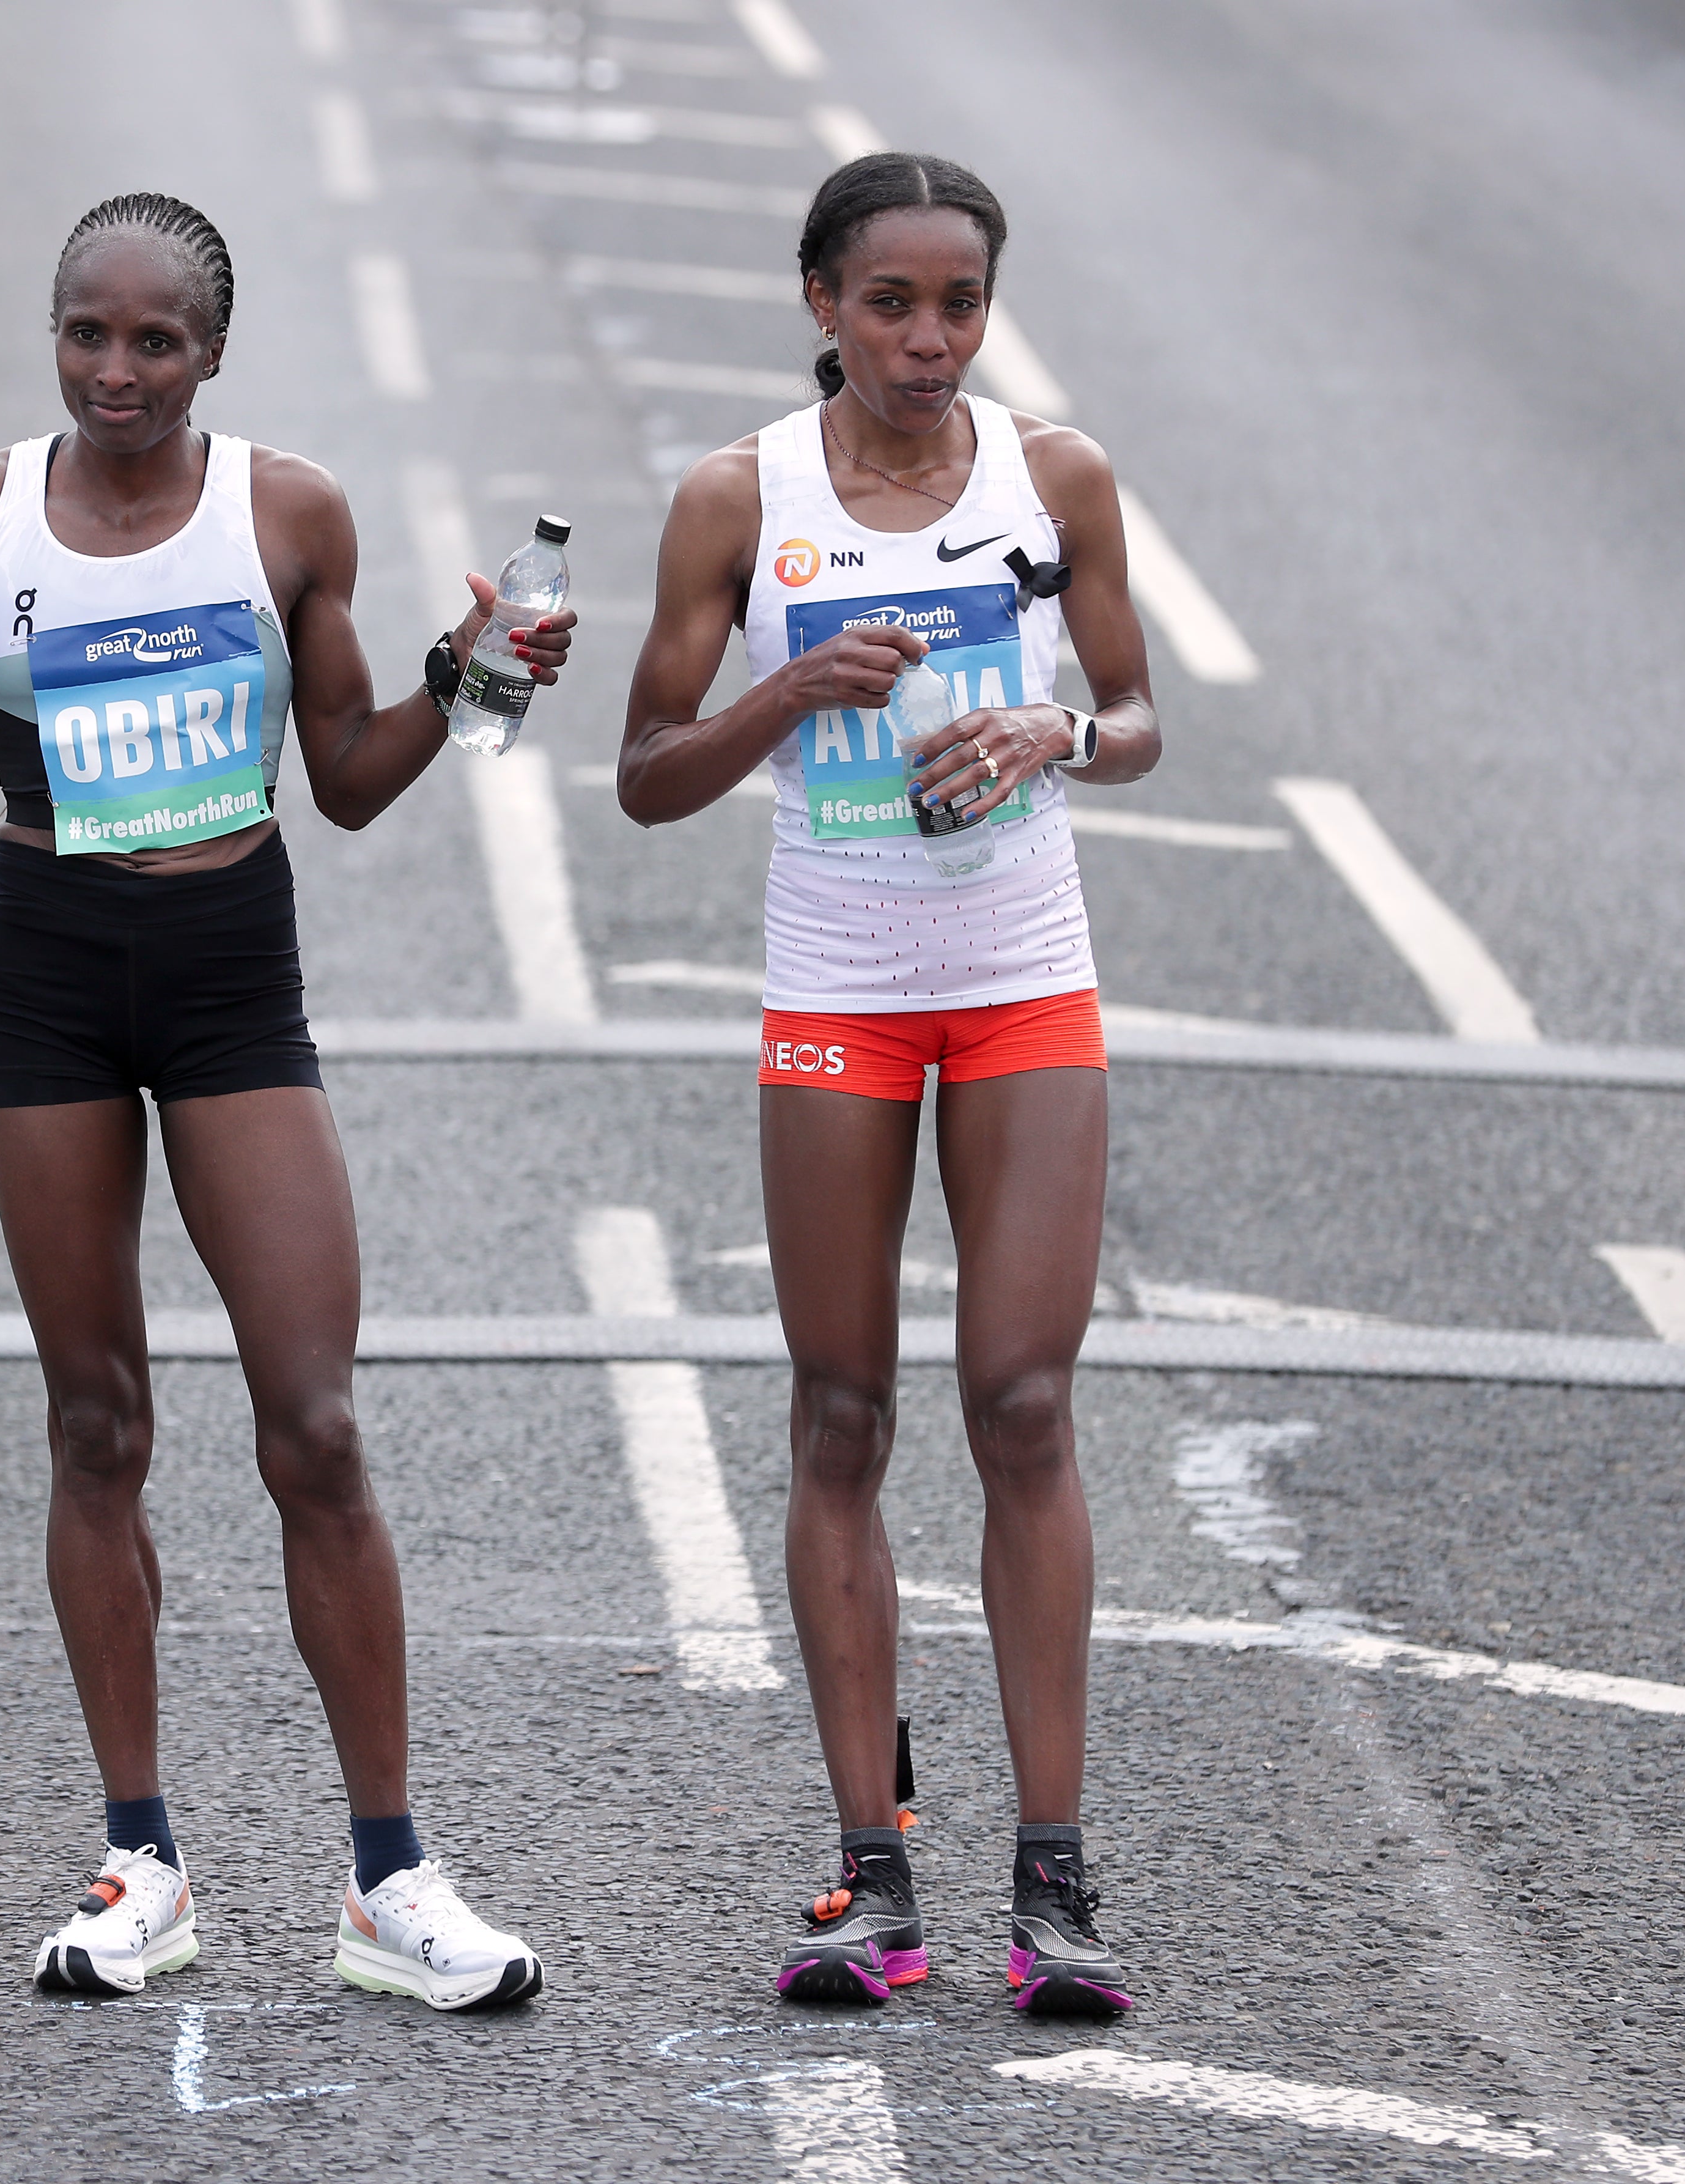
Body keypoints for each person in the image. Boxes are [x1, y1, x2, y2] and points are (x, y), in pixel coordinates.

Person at [0, 193, 568, 2010]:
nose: (118, 367)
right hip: (50, 972)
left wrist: (479, 684)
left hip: (233, 973)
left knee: (311, 1423)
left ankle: (390, 1877)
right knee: (97, 1423)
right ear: (50, 332)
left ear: (211, 353)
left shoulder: (285, 511)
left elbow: (356, 779)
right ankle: (139, 1857)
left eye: (156, 340)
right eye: (88, 332)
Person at [616, 155, 1156, 2016]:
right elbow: (645, 768)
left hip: (1022, 984)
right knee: (840, 1413)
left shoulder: (1051, 477)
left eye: (957, 305)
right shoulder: (735, 500)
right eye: (888, 304)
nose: (927, 341)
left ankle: (1056, 1880)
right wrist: (791, 693)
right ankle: (871, 1870)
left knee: (1019, 1400)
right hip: (836, 990)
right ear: (819, 304)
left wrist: (1054, 732)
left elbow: (1140, 717)